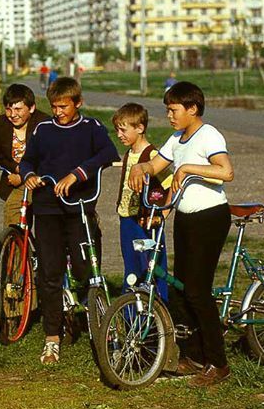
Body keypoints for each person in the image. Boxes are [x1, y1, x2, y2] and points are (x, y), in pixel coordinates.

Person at [128, 81, 235, 387]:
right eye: (167, 110)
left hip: (211, 217)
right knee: (182, 287)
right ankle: (194, 354)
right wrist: (141, 169)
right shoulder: (177, 138)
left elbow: (226, 171)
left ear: (192, 109)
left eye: (173, 110)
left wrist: (187, 168)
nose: (169, 116)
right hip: (186, 218)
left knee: (198, 290)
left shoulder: (208, 135)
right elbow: (155, 164)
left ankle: (219, 363)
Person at [20, 77, 118, 366]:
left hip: (79, 210)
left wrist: (77, 173)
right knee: (48, 274)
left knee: (85, 267)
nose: (58, 112)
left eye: (64, 106)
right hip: (47, 209)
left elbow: (108, 153)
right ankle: (52, 337)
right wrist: (28, 175)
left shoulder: (91, 128)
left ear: (78, 103)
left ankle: (98, 325)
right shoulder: (43, 129)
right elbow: (28, 160)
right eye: (54, 106)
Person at [112, 103, 171, 302]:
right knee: (131, 266)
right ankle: (131, 312)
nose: (119, 134)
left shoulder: (153, 156)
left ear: (140, 128)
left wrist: (164, 212)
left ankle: (159, 307)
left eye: (123, 129)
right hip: (127, 219)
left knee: (152, 265)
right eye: (117, 130)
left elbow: (171, 183)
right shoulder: (129, 153)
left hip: (147, 223)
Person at [0, 83, 50, 227]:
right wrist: (19, 171)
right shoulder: (0, 123)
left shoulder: (44, 124)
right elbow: (0, 156)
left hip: (41, 179)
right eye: (8, 109)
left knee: (45, 225)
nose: (13, 115)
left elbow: (48, 158)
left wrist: (24, 175)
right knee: (14, 218)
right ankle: (15, 247)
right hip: (15, 180)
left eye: (18, 109)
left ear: (31, 108)